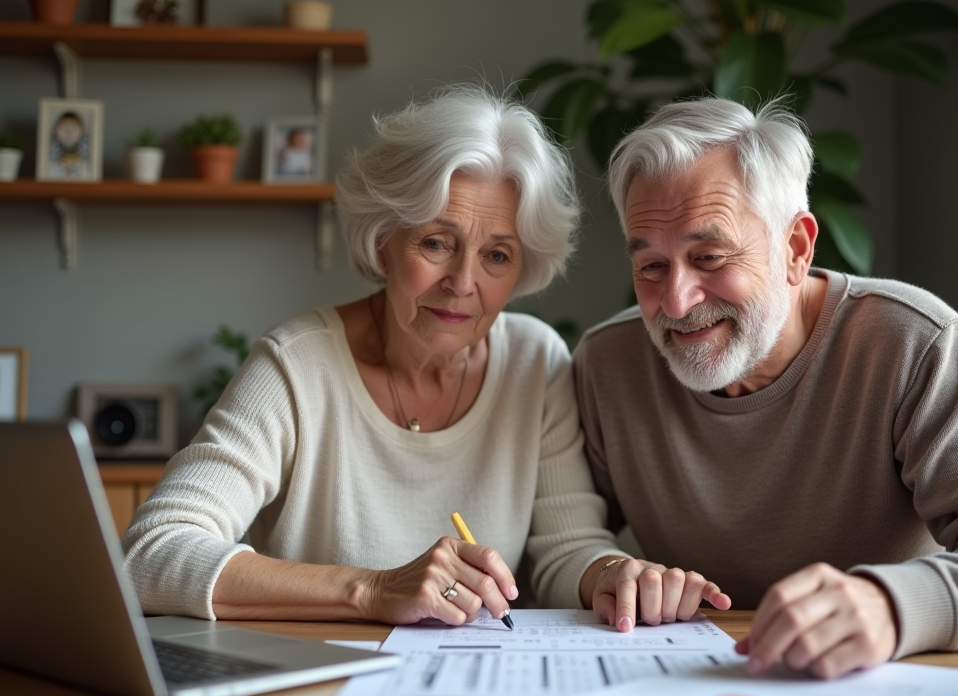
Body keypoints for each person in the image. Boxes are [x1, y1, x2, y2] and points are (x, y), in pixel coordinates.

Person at [123, 87, 729, 629]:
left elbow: (565, 548)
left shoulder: (534, 362)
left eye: (497, 255)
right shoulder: (297, 365)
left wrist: (616, 575)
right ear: (385, 241)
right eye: (437, 243)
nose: (463, 282)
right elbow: (150, 554)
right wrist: (372, 589)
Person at [573, 97, 958, 679]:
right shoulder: (607, 363)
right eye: (651, 267)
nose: (676, 302)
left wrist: (892, 605)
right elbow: (558, 537)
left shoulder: (911, 343)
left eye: (710, 256)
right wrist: (607, 571)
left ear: (795, 248)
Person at [49, 111, 89, 179]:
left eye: (74, 129)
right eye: (64, 128)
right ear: (55, 131)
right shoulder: (49, 148)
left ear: (82, 131)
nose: (69, 133)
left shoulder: (88, 149)